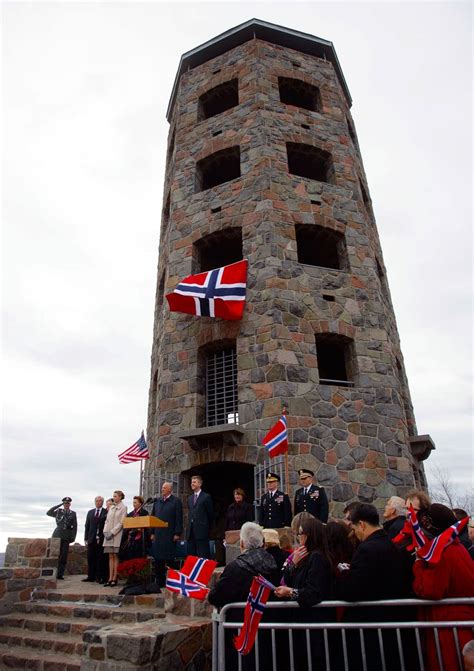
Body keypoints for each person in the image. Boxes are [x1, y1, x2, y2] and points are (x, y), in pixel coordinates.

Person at [335, 503, 411, 671]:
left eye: (354, 527)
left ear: (361, 524)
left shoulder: (367, 549)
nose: (354, 532)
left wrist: (340, 580)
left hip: (371, 627)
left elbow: (353, 589)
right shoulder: (392, 545)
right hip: (391, 624)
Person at [208, 522, 279, 671]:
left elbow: (216, 596)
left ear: (241, 543)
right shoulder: (274, 564)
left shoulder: (236, 568)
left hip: (241, 632)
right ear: (263, 543)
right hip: (267, 630)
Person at [413, 503, 474, 671]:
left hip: (450, 626)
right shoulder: (456, 547)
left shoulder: (444, 552)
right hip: (457, 622)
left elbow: (429, 590)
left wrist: (418, 565)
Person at [274, 517, 334, 671]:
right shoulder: (303, 557)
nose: (298, 537)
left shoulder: (317, 557)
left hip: (313, 625)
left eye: (301, 533)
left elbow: (313, 592)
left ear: (309, 535)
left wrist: (291, 592)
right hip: (302, 623)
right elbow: (287, 580)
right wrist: (293, 564)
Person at [151, 481, 183, 586]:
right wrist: (152, 532)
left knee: (169, 558)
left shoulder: (176, 501)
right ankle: (159, 582)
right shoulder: (157, 502)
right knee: (158, 559)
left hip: (169, 534)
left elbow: (179, 518)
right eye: (162, 487)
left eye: (164, 488)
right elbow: (153, 517)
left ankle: (172, 582)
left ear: (170, 489)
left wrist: (177, 533)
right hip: (158, 534)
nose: (162, 489)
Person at [46, 497, 77, 580]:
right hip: (57, 535)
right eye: (65, 503)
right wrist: (59, 505)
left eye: (68, 503)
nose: (66, 505)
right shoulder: (58, 511)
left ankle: (60, 574)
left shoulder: (73, 513)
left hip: (66, 536)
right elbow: (48, 512)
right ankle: (53, 573)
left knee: (63, 556)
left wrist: (73, 537)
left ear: (70, 504)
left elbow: (75, 526)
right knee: (55, 555)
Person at [102, 490, 127, 586]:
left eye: (116, 496)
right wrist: (105, 531)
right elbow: (107, 521)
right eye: (113, 496)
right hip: (108, 534)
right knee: (110, 556)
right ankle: (109, 577)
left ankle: (114, 578)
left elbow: (121, 522)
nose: (114, 497)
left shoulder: (123, 508)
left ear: (120, 497)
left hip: (116, 534)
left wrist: (112, 532)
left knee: (115, 556)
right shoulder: (111, 508)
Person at [186, 475, 214, 558]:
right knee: (191, 555)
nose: (192, 484)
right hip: (191, 531)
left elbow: (210, 514)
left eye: (194, 482)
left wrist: (207, 528)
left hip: (202, 531)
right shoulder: (190, 498)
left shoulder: (206, 497)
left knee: (203, 554)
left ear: (200, 484)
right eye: (191, 482)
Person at [83, 496, 107, 583]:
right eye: (96, 501)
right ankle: (90, 576)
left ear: (102, 502)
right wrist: (86, 538)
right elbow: (87, 526)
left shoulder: (105, 512)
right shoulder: (90, 512)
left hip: (100, 539)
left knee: (99, 558)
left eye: (100, 501)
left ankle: (98, 576)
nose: (98, 502)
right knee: (90, 558)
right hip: (91, 539)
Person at [121, 495, 150, 560]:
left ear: (140, 503)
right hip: (132, 539)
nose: (133, 504)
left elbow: (147, 526)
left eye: (135, 502)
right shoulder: (131, 514)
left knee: (140, 557)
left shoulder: (144, 513)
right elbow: (127, 526)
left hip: (141, 539)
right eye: (133, 502)